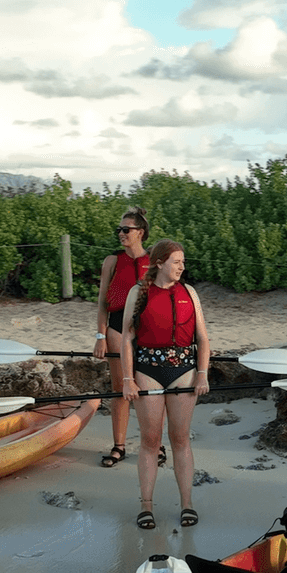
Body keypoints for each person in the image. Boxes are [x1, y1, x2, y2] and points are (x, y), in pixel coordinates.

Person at [120, 239, 212, 530]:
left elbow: (203, 338)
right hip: (148, 370)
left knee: (180, 439)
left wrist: (202, 374)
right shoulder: (138, 292)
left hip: (184, 371)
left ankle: (187, 504)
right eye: (176, 262)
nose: (181, 267)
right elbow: (126, 339)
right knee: (150, 441)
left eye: (183, 262)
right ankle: (146, 507)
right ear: (159, 263)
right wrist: (127, 379)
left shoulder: (189, 292)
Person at [92, 207, 152, 470]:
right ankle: (119, 446)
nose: (120, 233)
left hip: (148, 329)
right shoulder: (112, 261)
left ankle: (154, 444)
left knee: (147, 389)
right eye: (119, 229)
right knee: (121, 388)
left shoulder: (155, 260)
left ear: (140, 232)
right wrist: (100, 335)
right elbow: (102, 301)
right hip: (117, 327)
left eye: (126, 229)